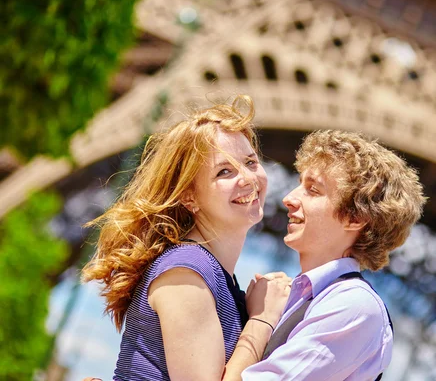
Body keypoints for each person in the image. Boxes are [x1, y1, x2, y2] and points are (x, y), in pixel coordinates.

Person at [81, 95, 290, 381]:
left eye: (251, 162)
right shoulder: (186, 271)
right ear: (189, 197)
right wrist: (263, 319)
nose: (248, 178)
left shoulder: (214, 276)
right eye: (224, 171)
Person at [240, 129, 427, 380]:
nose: (289, 198)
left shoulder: (354, 307)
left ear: (355, 217)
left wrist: (260, 321)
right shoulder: (302, 298)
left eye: (313, 190)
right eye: (298, 184)